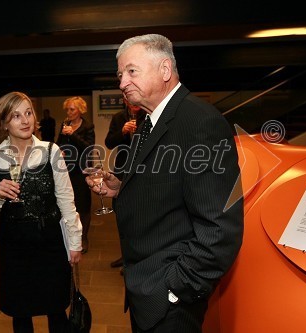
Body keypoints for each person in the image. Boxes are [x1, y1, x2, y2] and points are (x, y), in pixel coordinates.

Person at [86, 34, 244, 332]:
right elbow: (170, 185)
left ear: (165, 70)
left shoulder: (199, 123)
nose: (122, 83)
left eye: (131, 71)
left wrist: (175, 291)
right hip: (146, 288)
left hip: (169, 298)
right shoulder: (151, 121)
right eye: (120, 74)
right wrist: (120, 188)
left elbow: (220, 229)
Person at [0, 91, 82, 333]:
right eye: (16, 116)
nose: (25, 120)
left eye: (28, 113)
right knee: (20, 314)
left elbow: (66, 199)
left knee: (57, 310)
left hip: (50, 243)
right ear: (4, 123)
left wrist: (75, 241)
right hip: (14, 247)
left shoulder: (51, 150)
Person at [104, 97, 145, 270]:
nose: (133, 102)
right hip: (122, 168)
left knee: (140, 215)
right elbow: (108, 143)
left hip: (143, 169)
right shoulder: (119, 117)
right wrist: (122, 131)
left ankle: (137, 259)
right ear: (125, 100)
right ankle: (126, 255)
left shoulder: (149, 115)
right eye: (130, 100)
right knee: (121, 213)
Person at [56, 96, 95, 254]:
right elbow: (58, 142)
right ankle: (69, 234)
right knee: (67, 202)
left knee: (83, 205)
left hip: (81, 170)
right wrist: (60, 150)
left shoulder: (87, 126)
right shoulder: (64, 124)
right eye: (67, 109)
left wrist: (72, 134)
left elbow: (89, 147)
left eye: (72, 109)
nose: (69, 112)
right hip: (66, 169)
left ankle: (83, 238)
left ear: (80, 110)